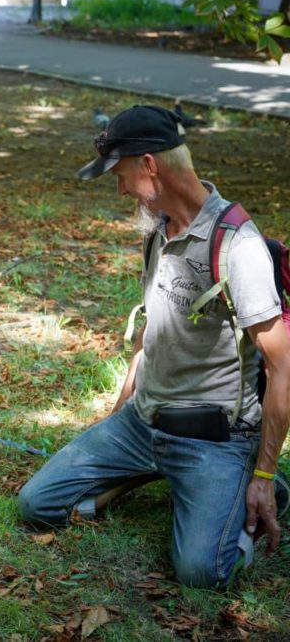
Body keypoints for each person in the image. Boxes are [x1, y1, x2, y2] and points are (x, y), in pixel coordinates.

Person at [17, 105, 290, 588]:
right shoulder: (158, 231)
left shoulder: (238, 247)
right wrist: (118, 417)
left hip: (214, 440)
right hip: (144, 423)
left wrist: (264, 474)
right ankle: (162, 474)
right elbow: (151, 336)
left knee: (201, 573)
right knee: (37, 504)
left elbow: (282, 364)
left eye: (121, 176)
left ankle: (257, 491)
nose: (120, 190)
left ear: (149, 166)